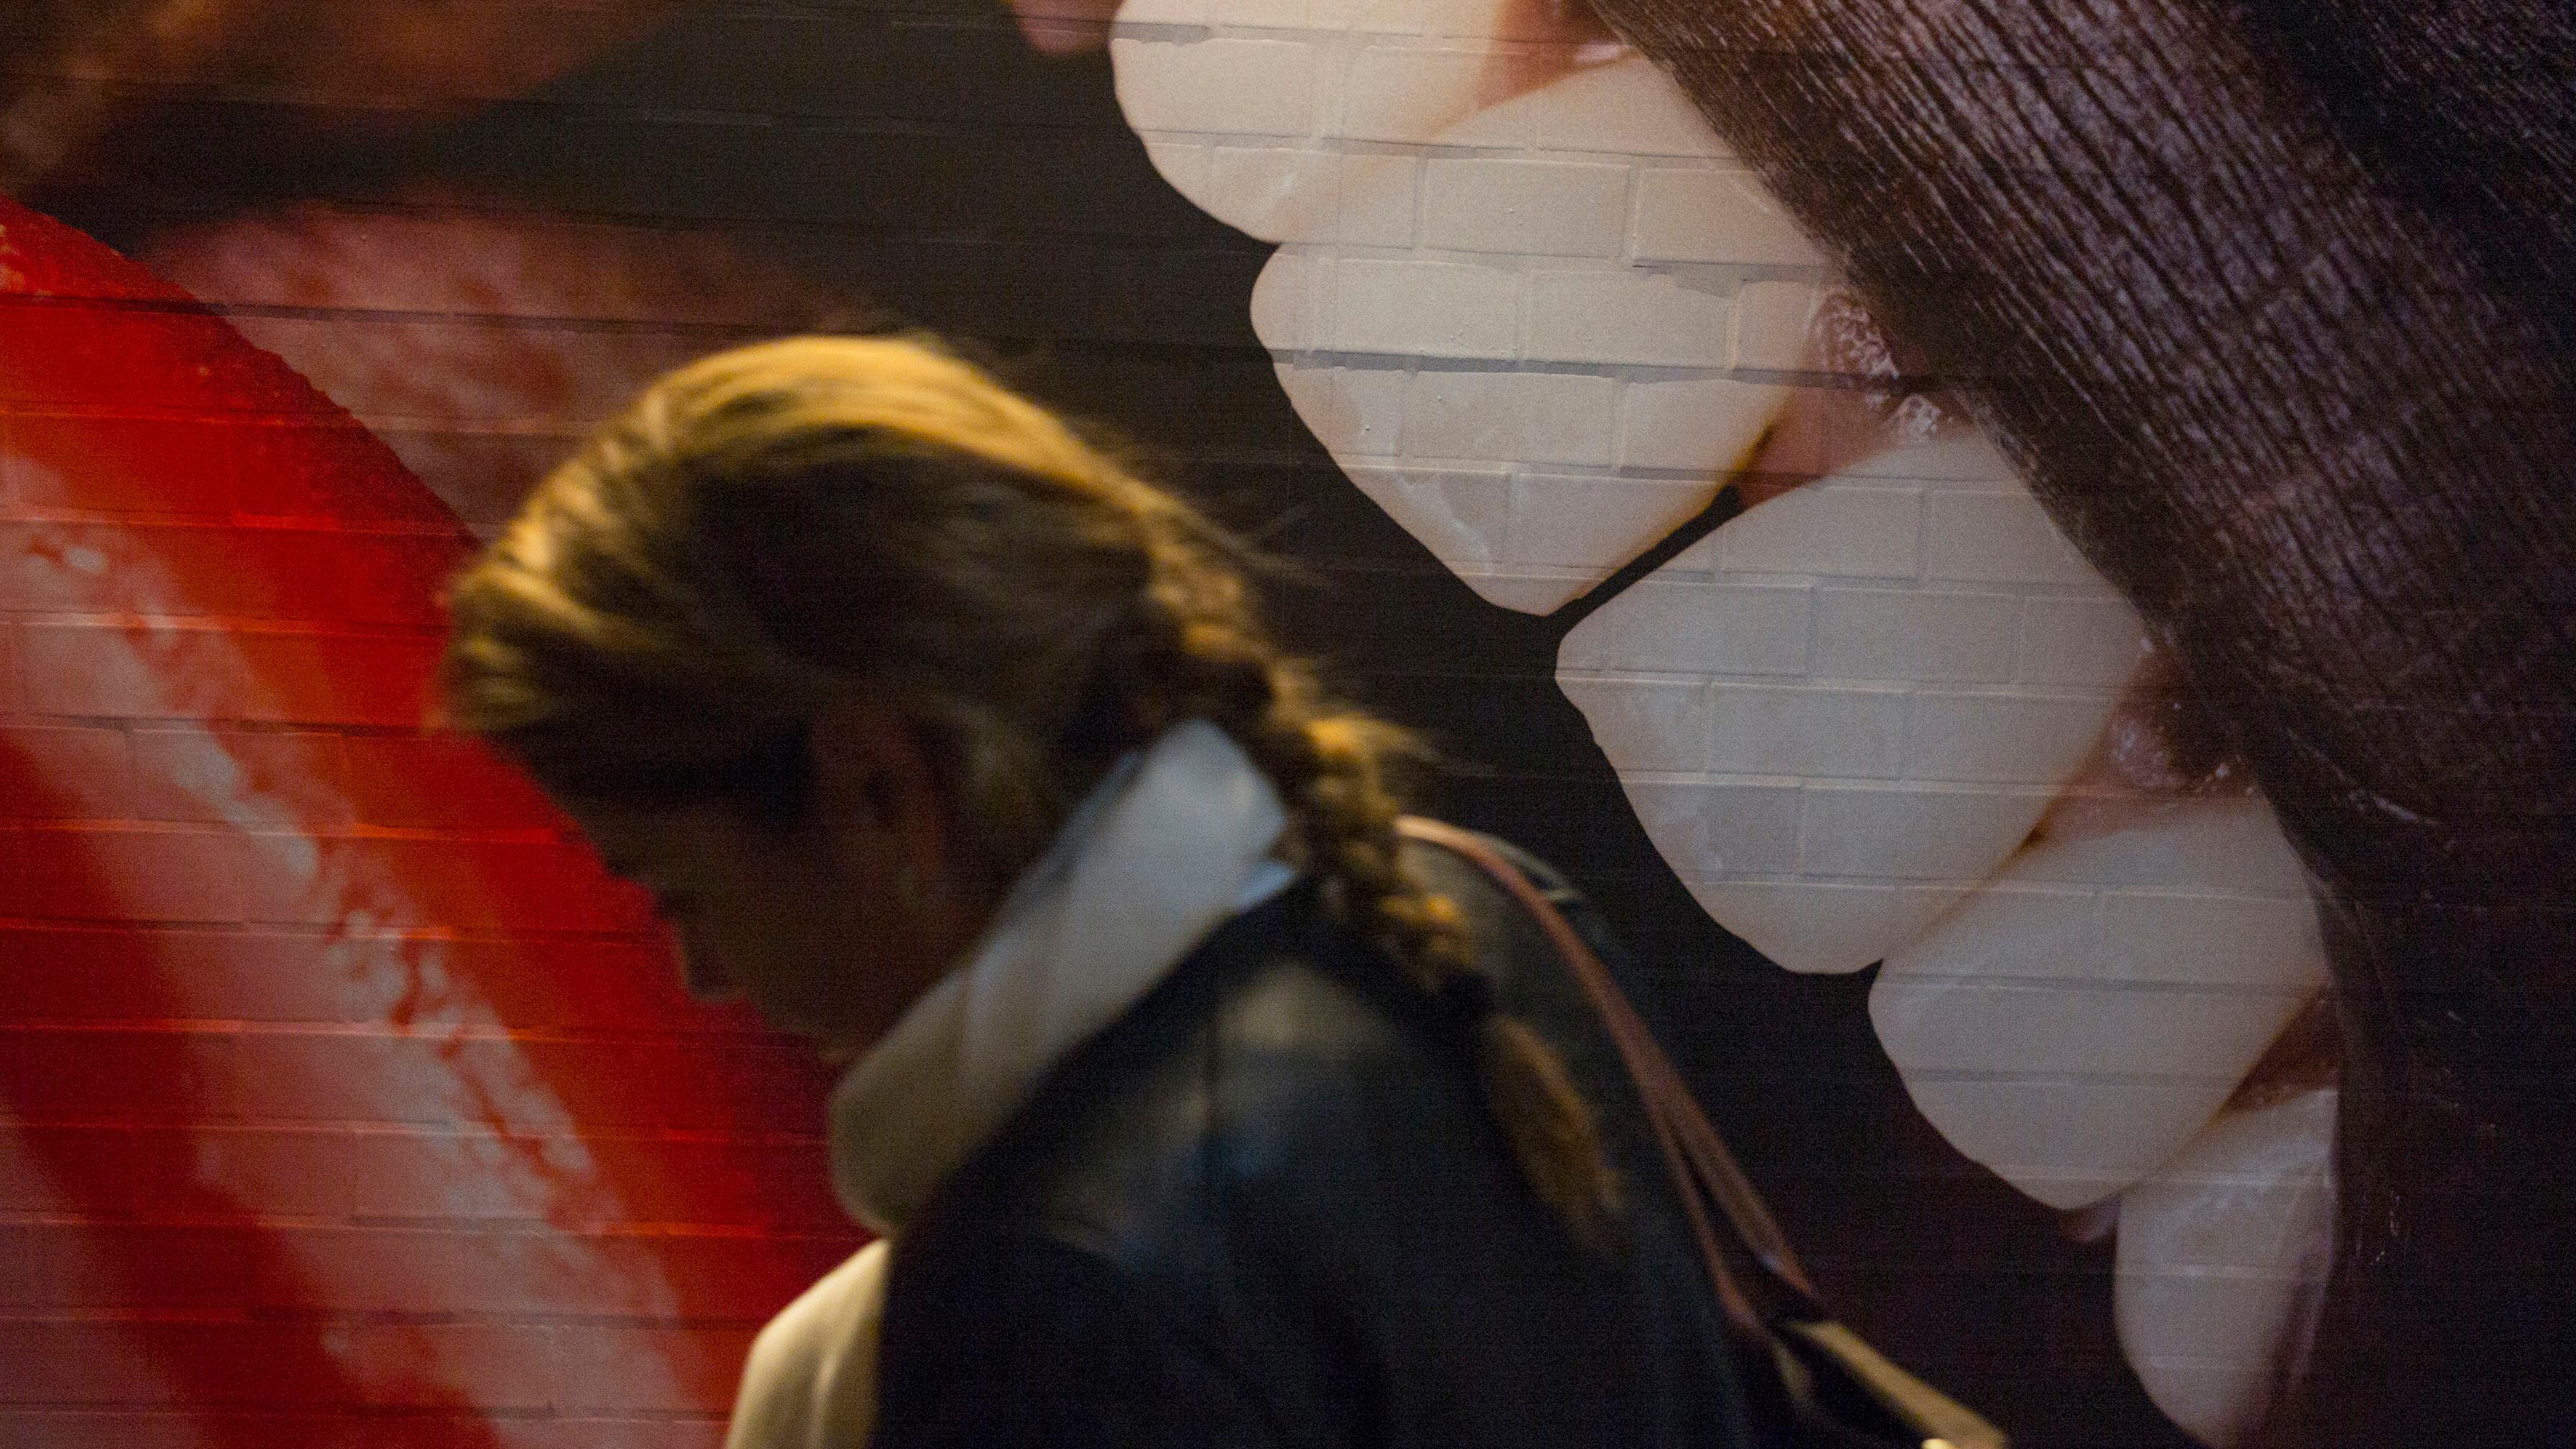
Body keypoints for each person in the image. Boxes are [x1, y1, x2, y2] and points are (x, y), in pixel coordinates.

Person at [437, 334, 1772, 1448]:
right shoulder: (1464, 909)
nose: (702, 977)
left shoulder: (1046, 1295)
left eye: (679, 894)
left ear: (876, 790)